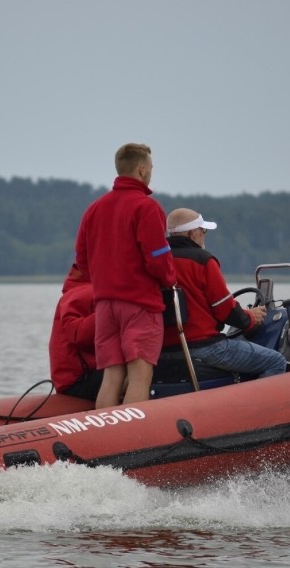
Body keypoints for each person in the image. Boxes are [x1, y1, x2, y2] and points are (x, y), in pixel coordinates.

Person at [75, 143, 176, 408]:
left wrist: (103, 280)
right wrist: (170, 280)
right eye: (151, 168)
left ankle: (104, 438)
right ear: (142, 169)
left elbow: (82, 260)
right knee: (140, 377)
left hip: (105, 306)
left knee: (111, 377)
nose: (151, 173)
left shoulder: (94, 209)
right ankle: (136, 443)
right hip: (140, 304)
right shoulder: (147, 208)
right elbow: (159, 260)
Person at [162, 207, 287, 379]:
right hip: (205, 347)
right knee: (276, 361)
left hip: (165, 349)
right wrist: (250, 318)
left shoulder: (159, 262)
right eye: (203, 231)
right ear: (192, 234)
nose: (204, 235)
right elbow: (225, 310)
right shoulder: (203, 261)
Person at [48, 263, 102, 401]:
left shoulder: (81, 290)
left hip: (72, 379)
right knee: (137, 373)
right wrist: (108, 313)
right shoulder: (83, 293)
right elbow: (78, 334)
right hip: (79, 379)